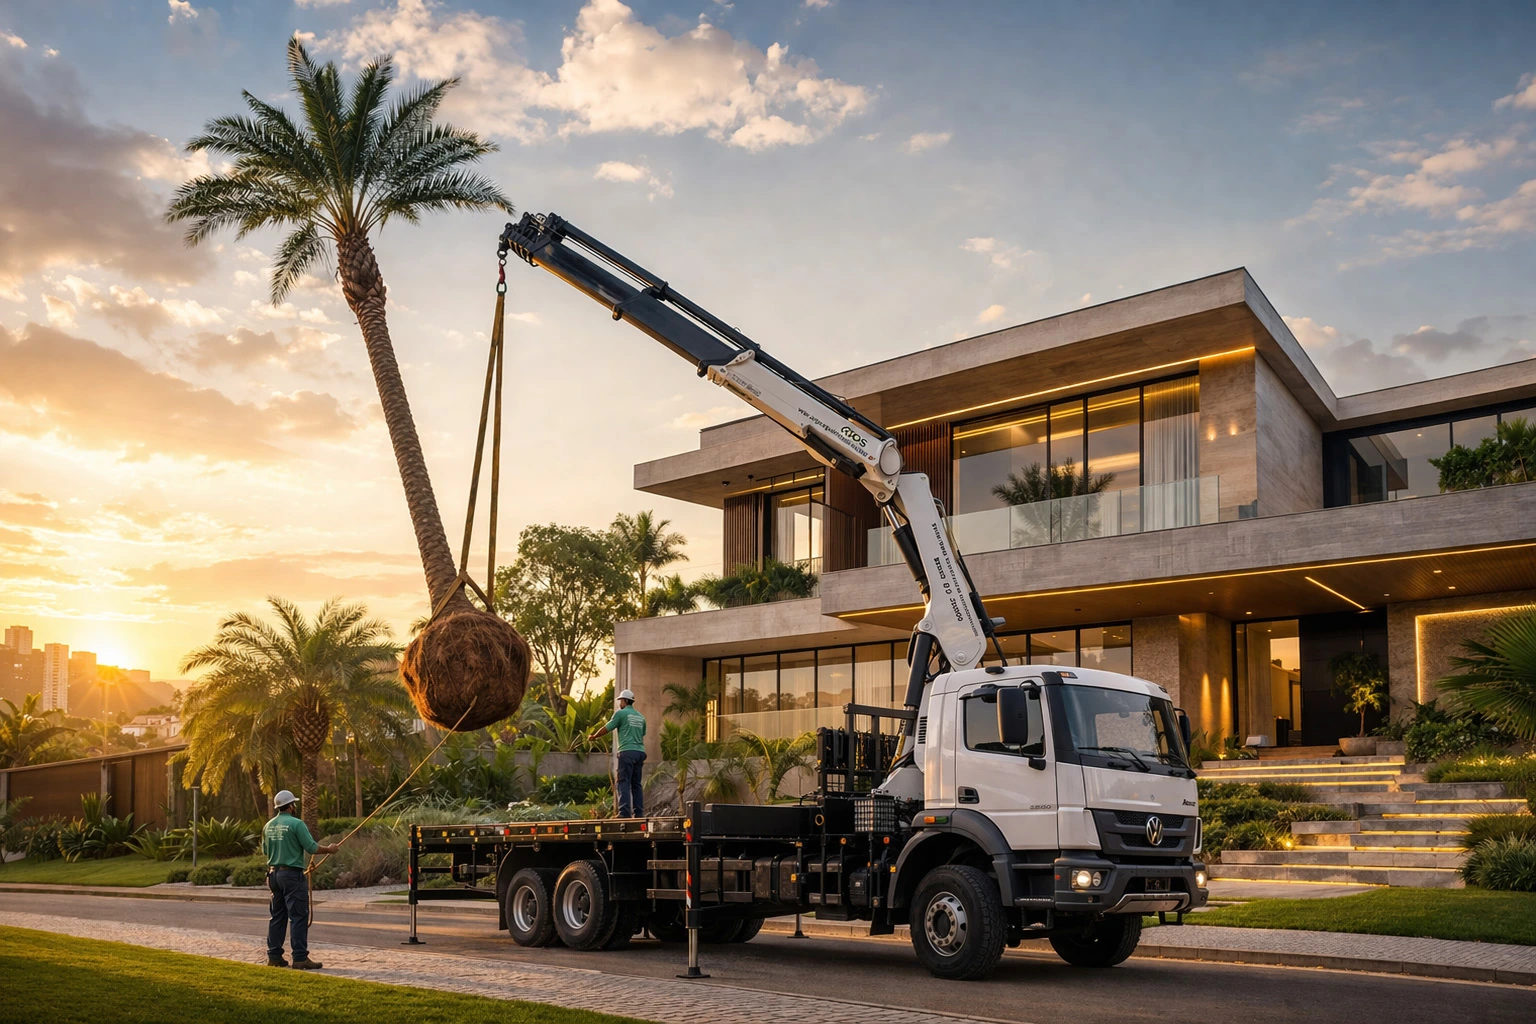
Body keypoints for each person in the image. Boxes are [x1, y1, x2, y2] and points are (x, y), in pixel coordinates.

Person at [262, 790, 338, 969]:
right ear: (290, 806)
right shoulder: (297, 824)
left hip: (273, 875)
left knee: (277, 917)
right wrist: (329, 849)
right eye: (294, 803)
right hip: (292, 876)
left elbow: (266, 851)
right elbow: (311, 848)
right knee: (298, 917)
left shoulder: (268, 826)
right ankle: (300, 957)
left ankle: (274, 957)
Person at [588, 689, 647, 817]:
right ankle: (639, 814)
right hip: (640, 753)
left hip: (627, 752)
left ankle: (624, 813)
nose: (619, 703)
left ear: (625, 701)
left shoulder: (621, 714)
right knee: (636, 784)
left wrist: (594, 736)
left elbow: (608, 727)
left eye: (621, 700)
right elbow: (642, 734)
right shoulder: (641, 717)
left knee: (623, 782)